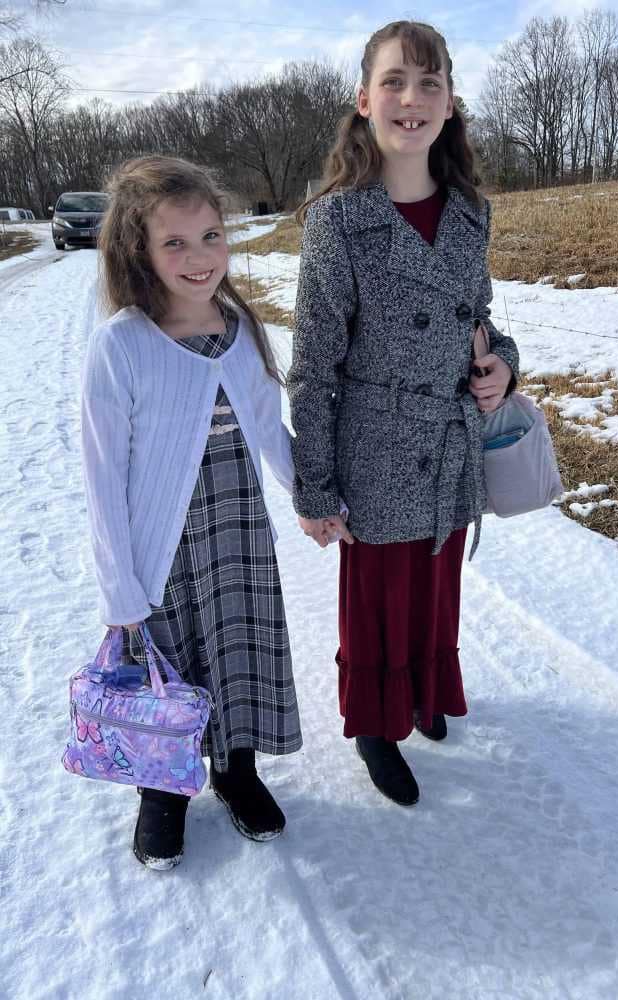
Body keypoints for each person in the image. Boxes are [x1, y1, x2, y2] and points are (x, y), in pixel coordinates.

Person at [288, 20, 520, 806]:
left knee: (435, 585)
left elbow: (482, 320)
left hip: (448, 441)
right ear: (364, 100)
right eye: (394, 81)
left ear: (451, 103)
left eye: (429, 83)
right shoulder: (337, 221)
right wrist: (314, 488)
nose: (411, 98)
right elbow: (313, 367)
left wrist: (502, 368)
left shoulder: (470, 212)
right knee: (380, 592)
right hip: (374, 442)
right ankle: (373, 723)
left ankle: (424, 691)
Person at [81, 155, 301, 869]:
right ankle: (162, 790)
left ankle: (237, 771)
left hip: (237, 534)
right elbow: (103, 476)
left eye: (210, 235)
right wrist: (119, 588)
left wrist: (312, 498)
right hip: (161, 551)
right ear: (137, 251)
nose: (199, 257)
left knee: (236, 651)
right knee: (169, 672)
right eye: (174, 242)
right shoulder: (122, 345)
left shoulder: (240, 328)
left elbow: (269, 427)